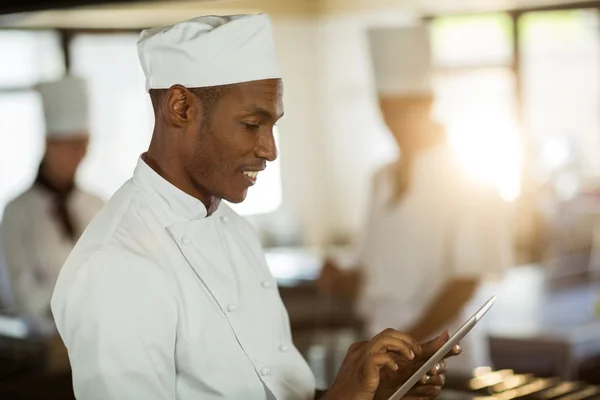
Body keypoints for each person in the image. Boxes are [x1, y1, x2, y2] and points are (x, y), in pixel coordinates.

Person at [51, 15, 460, 400]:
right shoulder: (115, 265)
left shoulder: (237, 232)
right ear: (181, 108)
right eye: (251, 124)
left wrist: (364, 391)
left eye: (272, 126)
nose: (270, 150)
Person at [319, 26, 513, 374]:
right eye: (386, 109)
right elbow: (373, 276)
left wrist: (409, 343)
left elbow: (466, 280)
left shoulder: (468, 176)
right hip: (383, 355)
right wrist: (342, 279)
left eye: (404, 108)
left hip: (444, 357)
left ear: (427, 104)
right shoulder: (379, 179)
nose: (394, 121)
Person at [1, 76, 103, 336]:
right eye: (70, 144)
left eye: (83, 143)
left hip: (98, 332)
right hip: (45, 342)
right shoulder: (17, 212)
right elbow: (25, 294)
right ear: (49, 143)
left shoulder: (96, 204)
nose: (78, 153)